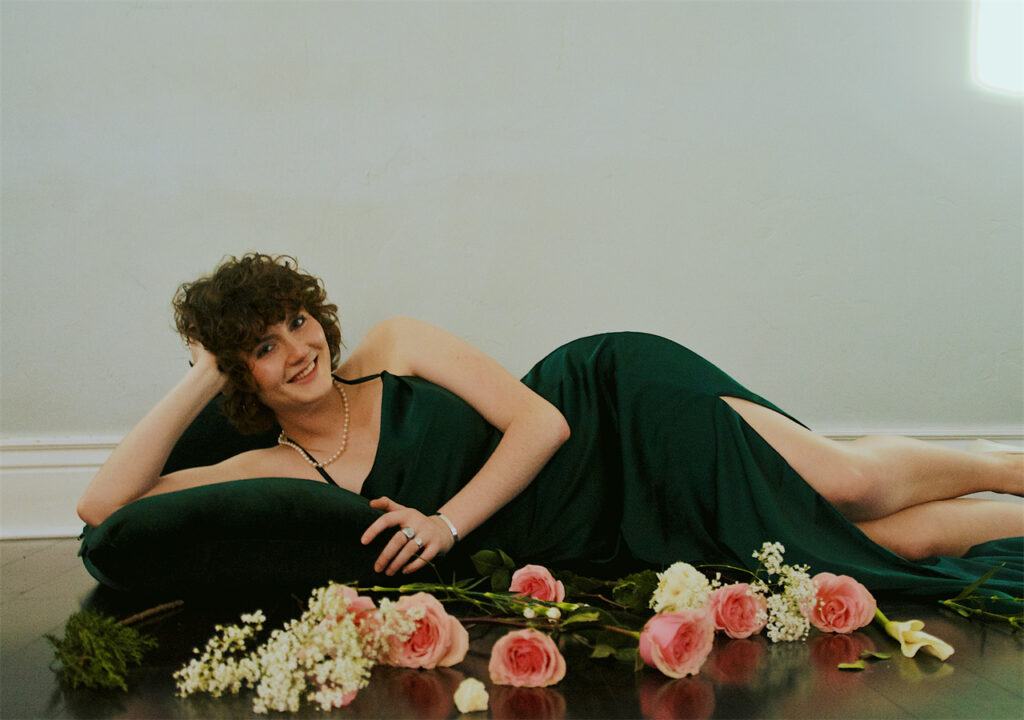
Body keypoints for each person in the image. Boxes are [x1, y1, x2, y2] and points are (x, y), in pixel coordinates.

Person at [77, 254, 1023, 590]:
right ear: (242, 376)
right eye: (265, 346)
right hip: (593, 532)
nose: (299, 345)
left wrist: (444, 525)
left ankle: (1002, 463)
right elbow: (102, 508)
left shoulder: (393, 343)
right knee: (861, 549)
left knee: (845, 486)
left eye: (296, 319)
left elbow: (541, 425)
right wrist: (203, 364)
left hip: (613, 409)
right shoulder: (273, 467)